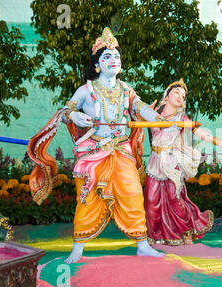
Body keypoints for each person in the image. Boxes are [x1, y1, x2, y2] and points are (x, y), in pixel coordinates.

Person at [28, 27, 165, 263]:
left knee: (133, 193)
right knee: (86, 198)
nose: (114, 60)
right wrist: (74, 116)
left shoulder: (126, 90)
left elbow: (141, 109)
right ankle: (78, 248)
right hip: (93, 152)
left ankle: (142, 245)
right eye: (107, 57)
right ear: (98, 64)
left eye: (117, 56)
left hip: (121, 151)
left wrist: (159, 119)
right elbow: (65, 111)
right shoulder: (86, 90)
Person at [144, 79, 222, 245]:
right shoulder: (153, 113)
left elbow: (199, 132)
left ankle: (186, 231)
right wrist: (143, 115)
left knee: (174, 197)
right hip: (155, 162)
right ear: (167, 94)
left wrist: (220, 142)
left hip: (171, 162)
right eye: (176, 92)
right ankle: (155, 235)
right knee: (151, 200)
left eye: (183, 95)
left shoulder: (181, 117)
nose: (180, 96)